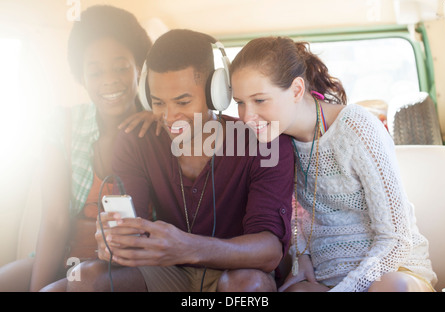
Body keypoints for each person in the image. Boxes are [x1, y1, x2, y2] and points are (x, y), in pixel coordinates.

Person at [42, 29, 294, 292]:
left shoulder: (265, 142)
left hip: (233, 275)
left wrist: (187, 247)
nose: (170, 116)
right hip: (167, 275)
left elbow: (269, 251)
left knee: (248, 285)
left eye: (183, 101)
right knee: (84, 277)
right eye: (158, 103)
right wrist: (114, 242)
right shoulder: (137, 142)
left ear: (216, 93)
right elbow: (129, 232)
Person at [229, 36, 437, 292]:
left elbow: (397, 239)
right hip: (327, 278)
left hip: (392, 272)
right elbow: (293, 218)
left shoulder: (355, 127)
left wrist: (347, 290)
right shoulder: (276, 141)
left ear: (296, 90)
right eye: (240, 102)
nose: (247, 116)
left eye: (259, 100)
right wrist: (301, 258)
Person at [0, 5, 152, 292]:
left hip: (123, 267)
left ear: (139, 68)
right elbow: (55, 220)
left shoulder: (156, 128)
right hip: (66, 255)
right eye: (95, 72)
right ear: (81, 76)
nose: (109, 80)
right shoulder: (64, 125)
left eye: (121, 67)